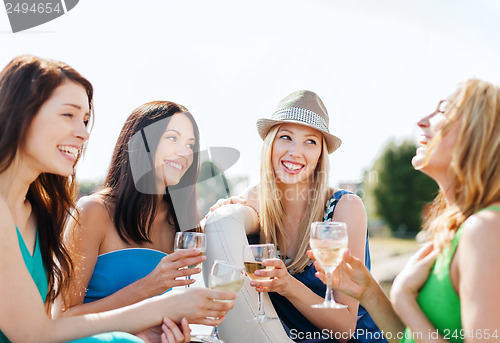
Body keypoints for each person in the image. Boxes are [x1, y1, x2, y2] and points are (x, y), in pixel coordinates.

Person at [0, 55, 236, 343]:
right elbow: (46, 326)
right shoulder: (93, 211)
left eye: (191, 145)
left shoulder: (40, 212)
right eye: (68, 115)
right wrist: (154, 297)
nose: (84, 133)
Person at [311, 79, 500, 343]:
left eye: (444, 111)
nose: (422, 121)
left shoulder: (486, 229)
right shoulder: (460, 228)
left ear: (481, 133)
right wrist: (369, 292)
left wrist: (403, 297)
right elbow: (411, 338)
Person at [209, 90, 384, 342]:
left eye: (310, 141)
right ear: (270, 143)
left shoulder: (344, 207)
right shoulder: (256, 200)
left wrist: (287, 285)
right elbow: (209, 232)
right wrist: (223, 211)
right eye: (286, 137)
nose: (295, 151)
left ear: (320, 154)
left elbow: (345, 328)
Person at [53, 101, 206, 317]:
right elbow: (62, 317)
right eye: (172, 138)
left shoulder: (182, 225)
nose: (184, 152)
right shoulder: (94, 211)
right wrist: (146, 288)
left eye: (191, 145)